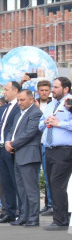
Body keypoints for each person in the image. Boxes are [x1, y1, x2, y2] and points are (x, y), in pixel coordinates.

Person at [7, 88, 43, 227]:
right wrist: (8, 142)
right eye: (18, 100)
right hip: (18, 154)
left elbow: (30, 133)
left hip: (29, 155)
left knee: (31, 189)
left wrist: (13, 144)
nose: (20, 103)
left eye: (22, 100)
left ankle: (33, 218)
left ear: (31, 100)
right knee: (21, 189)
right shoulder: (19, 114)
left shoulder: (35, 113)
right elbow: (12, 130)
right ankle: (24, 216)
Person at [42, 77, 71, 230]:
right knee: (52, 183)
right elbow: (41, 123)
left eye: (56, 87)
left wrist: (59, 123)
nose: (52, 89)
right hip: (49, 149)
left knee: (57, 183)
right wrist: (46, 121)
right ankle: (59, 216)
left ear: (66, 89)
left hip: (64, 150)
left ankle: (61, 219)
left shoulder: (69, 102)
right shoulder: (51, 104)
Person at [0, 81, 22, 223]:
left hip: (12, 149)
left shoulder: (20, 106)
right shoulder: (3, 108)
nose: (4, 92)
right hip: (1, 149)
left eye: (6, 89)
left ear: (15, 91)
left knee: (16, 182)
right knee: (6, 183)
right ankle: (9, 212)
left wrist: (11, 142)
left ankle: (20, 212)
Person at [36, 79, 56, 214]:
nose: (44, 93)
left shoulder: (53, 105)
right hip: (34, 143)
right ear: (38, 91)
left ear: (50, 92)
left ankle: (51, 204)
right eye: (41, 90)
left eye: (46, 90)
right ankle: (43, 204)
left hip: (47, 143)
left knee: (49, 175)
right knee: (34, 175)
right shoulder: (32, 103)